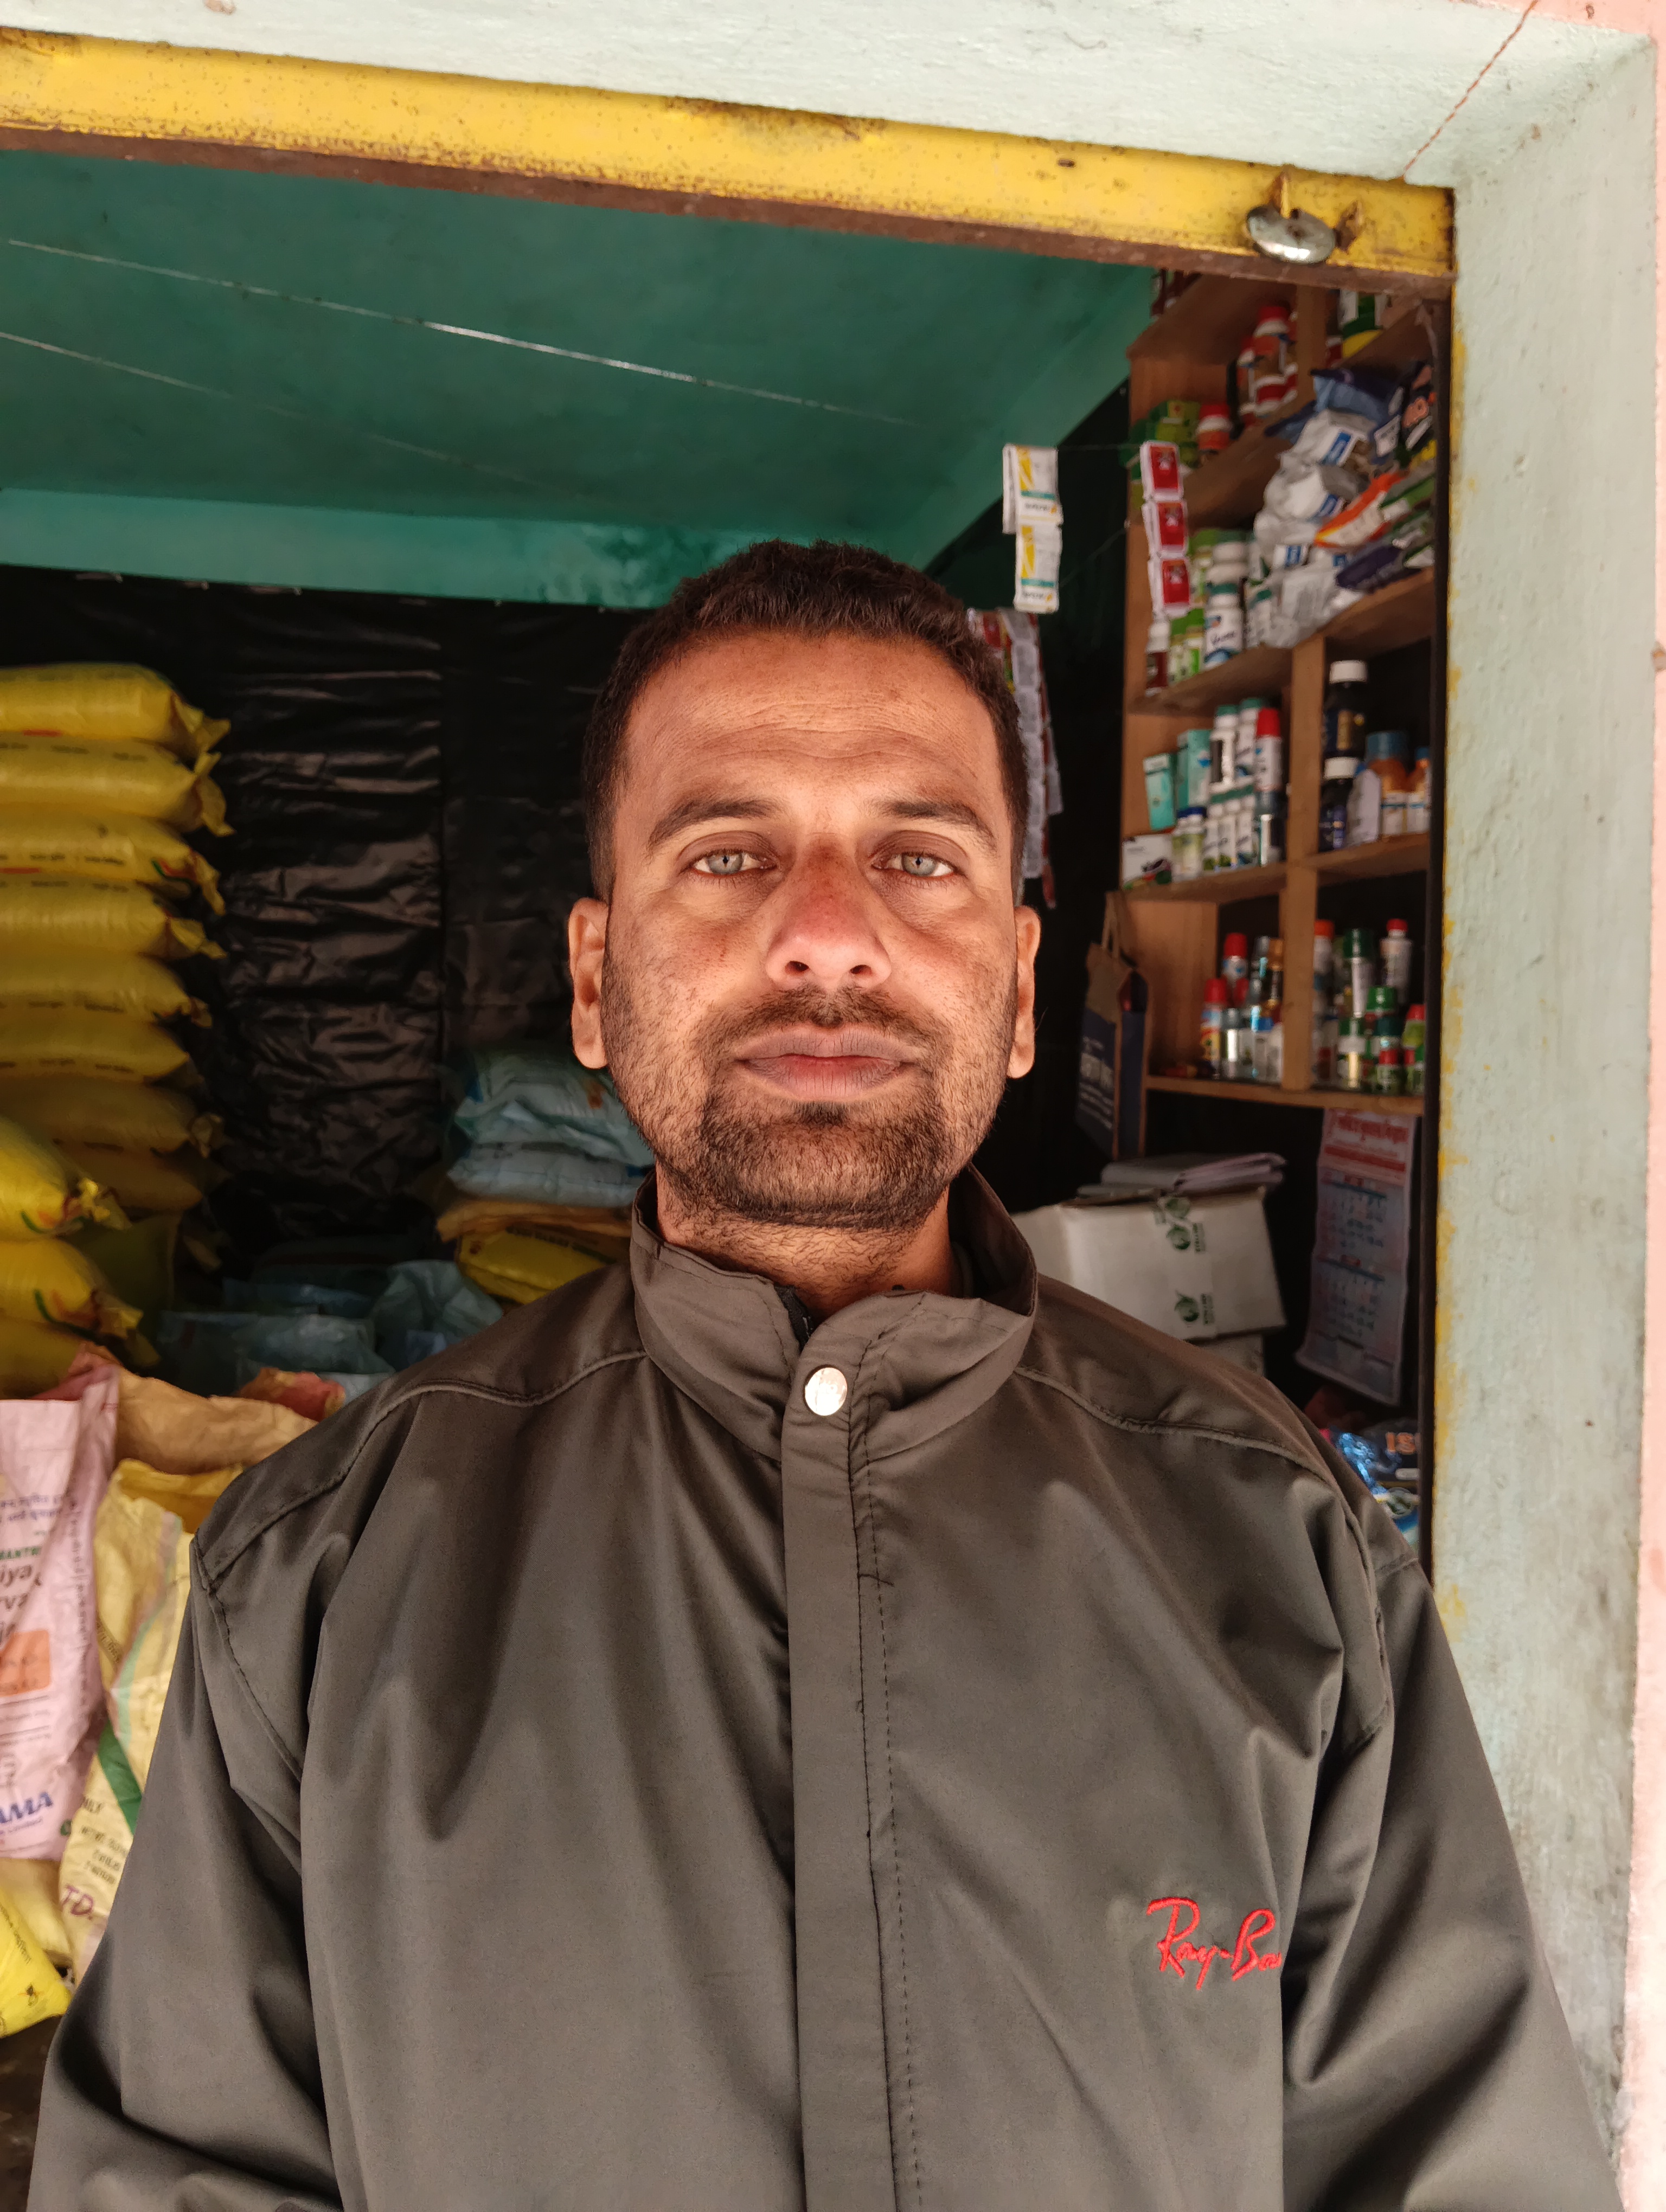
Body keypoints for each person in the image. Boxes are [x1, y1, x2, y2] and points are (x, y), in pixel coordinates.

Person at [31, 541, 1617, 2210]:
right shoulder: (323, 1575)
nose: (827, 938)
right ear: (594, 982)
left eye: (918, 859)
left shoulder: (1277, 1543)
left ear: (1021, 992)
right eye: (728, 855)